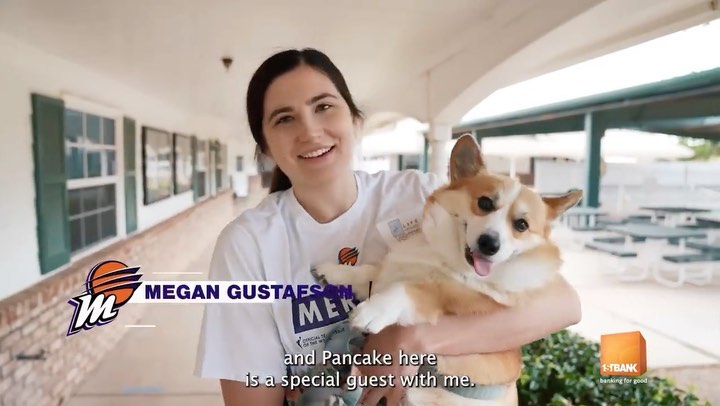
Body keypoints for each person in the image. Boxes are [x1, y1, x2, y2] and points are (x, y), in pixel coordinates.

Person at [194, 48, 582, 406]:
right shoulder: (248, 244)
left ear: (355, 121)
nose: (310, 131)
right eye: (284, 118)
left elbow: (561, 304)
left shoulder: (422, 196)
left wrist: (409, 337)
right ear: (264, 146)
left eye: (324, 107)